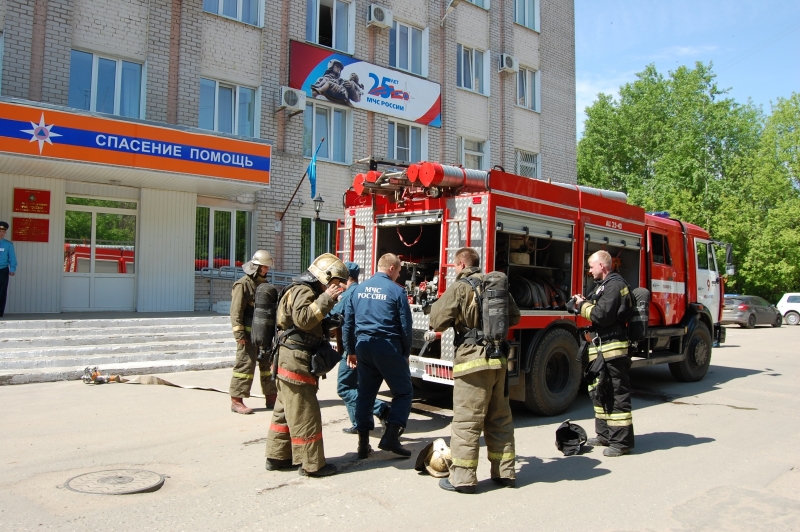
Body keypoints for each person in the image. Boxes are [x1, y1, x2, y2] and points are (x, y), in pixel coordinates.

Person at [428, 247, 520, 494]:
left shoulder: (461, 287)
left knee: (467, 421)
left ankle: (463, 479)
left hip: (472, 363)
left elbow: (436, 320)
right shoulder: (495, 285)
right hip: (498, 361)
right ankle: (506, 473)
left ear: (460, 264)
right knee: (499, 418)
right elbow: (515, 317)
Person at [265, 253, 348, 477]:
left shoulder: (301, 288)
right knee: (306, 412)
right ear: (325, 277)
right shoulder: (305, 290)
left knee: (284, 411)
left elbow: (302, 323)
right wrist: (327, 299)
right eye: (335, 283)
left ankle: (277, 456)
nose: (337, 287)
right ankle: (313, 465)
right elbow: (303, 318)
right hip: (296, 361)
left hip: (288, 359)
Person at [342, 253, 413, 459]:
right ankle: (391, 436)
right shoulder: (396, 291)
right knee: (404, 392)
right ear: (391, 268)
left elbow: (348, 323)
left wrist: (350, 351)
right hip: (387, 346)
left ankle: (363, 445)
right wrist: (405, 352)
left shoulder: (358, 290)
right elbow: (406, 327)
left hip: (363, 347)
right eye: (399, 270)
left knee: (365, 393)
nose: (399, 274)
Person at [574, 250, 635, 457]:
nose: (589, 271)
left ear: (602, 266)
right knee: (599, 390)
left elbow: (601, 315)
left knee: (617, 394)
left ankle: (621, 442)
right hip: (601, 348)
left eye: (591, 266)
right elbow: (593, 307)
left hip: (613, 349)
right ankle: (604, 435)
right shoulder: (603, 287)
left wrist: (582, 305)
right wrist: (578, 304)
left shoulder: (615, 285)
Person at [331, 261, 390, 435]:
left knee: (344, 387)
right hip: (365, 346)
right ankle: (359, 423)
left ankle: (381, 409)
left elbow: (333, 316)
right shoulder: (362, 290)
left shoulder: (348, 294)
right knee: (356, 385)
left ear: (343, 277)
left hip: (353, 350)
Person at [230, 250, 277, 415]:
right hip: (248, 335)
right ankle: (237, 400)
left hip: (264, 335)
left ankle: (272, 397)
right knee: (245, 366)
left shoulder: (263, 284)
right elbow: (236, 312)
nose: (266, 270)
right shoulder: (243, 284)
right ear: (256, 267)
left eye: (267, 267)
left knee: (267, 366)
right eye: (264, 267)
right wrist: (239, 334)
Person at [0, 221, 17, 318]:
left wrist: (13, 268)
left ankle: (0, 312)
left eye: (3, 231)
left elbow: (12, 258)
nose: (1, 233)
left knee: (2, 291)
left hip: (3, 270)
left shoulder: (8, 245)